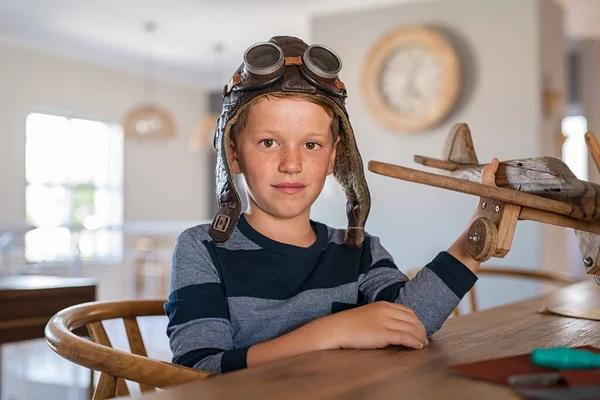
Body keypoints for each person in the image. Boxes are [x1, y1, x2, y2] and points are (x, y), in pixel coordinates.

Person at [164, 36, 499, 374]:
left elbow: (409, 321)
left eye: (311, 144)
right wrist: (331, 332)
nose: (291, 163)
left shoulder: (359, 250)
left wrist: (479, 235)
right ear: (233, 155)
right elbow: (199, 371)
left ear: (333, 158)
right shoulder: (202, 249)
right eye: (268, 142)